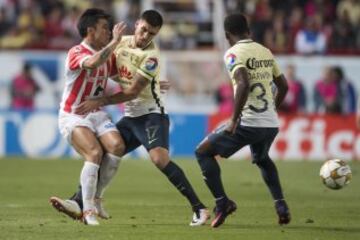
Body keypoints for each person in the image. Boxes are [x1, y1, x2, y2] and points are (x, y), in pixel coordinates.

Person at [53, 10, 209, 227]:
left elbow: (133, 92)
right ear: (137, 24)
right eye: (143, 30)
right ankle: (83, 202)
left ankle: (199, 208)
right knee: (107, 151)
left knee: (159, 159)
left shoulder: (152, 57)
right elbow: (114, 72)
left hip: (151, 115)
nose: (145, 36)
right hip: (130, 117)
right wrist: (152, 83)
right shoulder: (120, 44)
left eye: (151, 34)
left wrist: (100, 101)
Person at [194, 13, 290, 228]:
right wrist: (272, 109)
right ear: (248, 30)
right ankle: (281, 204)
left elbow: (243, 83)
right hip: (270, 123)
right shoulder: (265, 51)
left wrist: (234, 119)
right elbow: (284, 86)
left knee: (202, 152)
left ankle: (222, 203)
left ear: (227, 35)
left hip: (248, 122)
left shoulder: (233, 53)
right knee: (262, 158)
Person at [49, 8, 127, 226]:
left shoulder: (107, 56)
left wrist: (151, 83)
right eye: (105, 29)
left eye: (110, 30)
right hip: (73, 115)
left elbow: (123, 78)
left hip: (96, 113)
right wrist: (115, 43)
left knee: (118, 147)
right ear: (90, 30)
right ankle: (88, 210)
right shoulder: (76, 52)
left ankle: (96, 198)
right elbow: (92, 63)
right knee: (94, 152)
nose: (109, 33)